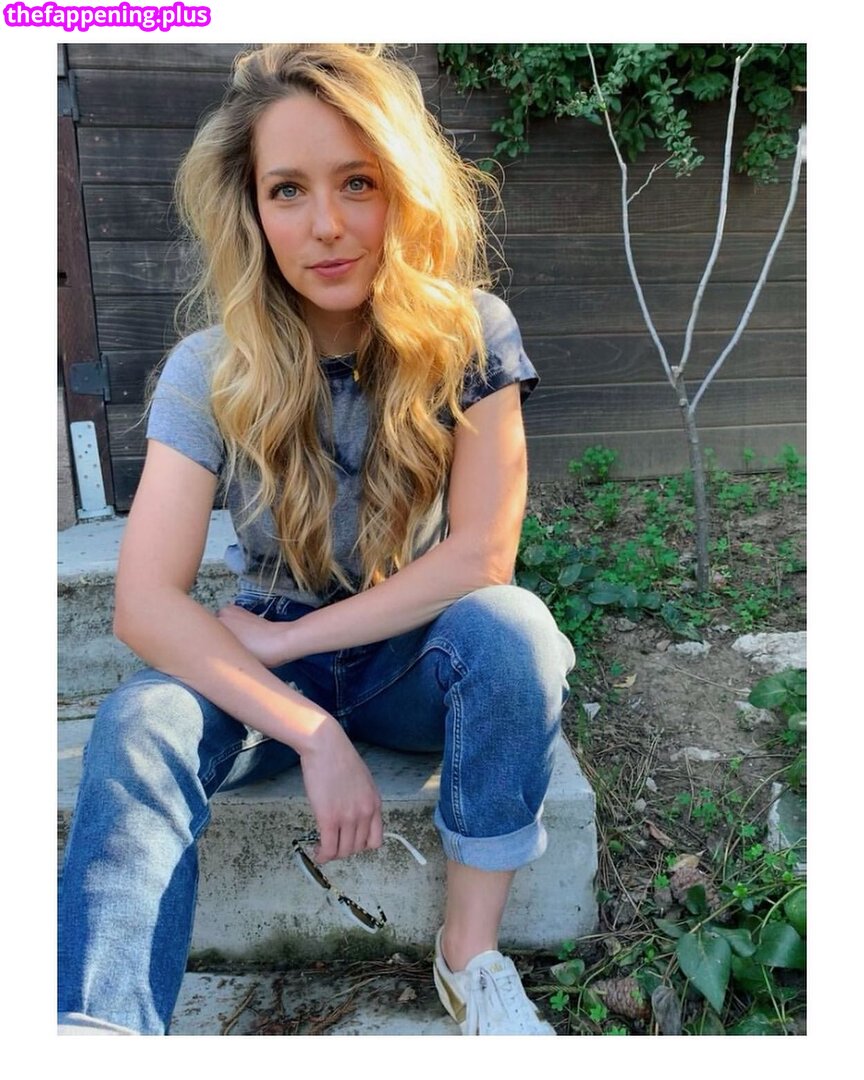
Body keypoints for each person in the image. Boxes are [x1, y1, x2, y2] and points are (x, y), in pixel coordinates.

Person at [57, 43, 575, 1037]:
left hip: (409, 657)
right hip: (270, 668)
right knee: (139, 721)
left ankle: (470, 959)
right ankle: (101, 1032)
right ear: (251, 210)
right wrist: (310, 727)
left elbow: (481, 556)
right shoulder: (210, 367)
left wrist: (293, 640)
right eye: (287, 190)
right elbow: (144, 603)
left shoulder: (472, 334)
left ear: (405, 194)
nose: (325, 224)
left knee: (514, 631)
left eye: (358, 183)